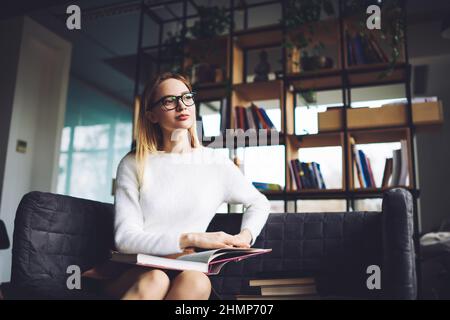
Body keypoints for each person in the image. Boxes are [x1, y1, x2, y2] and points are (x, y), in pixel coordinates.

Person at [102, 72, 270, 300]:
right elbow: (125, 239)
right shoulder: (134, 163)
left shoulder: (216, 163)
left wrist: (245, 236)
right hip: (136, 272)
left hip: (186, 268)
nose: (181, 106)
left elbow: (258, 202)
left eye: (186, 97)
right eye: (169, 101)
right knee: (156, 279)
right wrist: (193, 238)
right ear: (152, 115)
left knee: (198, 281)